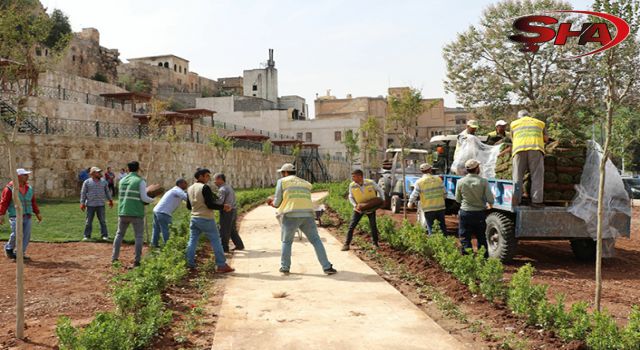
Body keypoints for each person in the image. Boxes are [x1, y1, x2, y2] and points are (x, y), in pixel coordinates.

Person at [267, 163, 336, 275]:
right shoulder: (306, 183)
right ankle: (327, 267)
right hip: (307, 214)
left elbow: (277, 203)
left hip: (290, 215)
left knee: (287, 242)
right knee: (316, 240)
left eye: (282, 173)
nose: (281, 175)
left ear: (285, 173)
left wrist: (270, 202)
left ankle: (285, 267)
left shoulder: (282, 182)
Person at [185, 168, 234, 272]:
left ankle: (190, 263)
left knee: (192, 240)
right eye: (207, 176)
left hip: (194, 218)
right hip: (206, 218)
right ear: (200, 176)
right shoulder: (205, 187)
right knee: (216, 240)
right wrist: (223, 207)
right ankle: (221, 265)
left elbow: (189, 206)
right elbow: (210, 204)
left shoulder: (190, 188)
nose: (208, 178)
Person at [111, 161, 155, 267]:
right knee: (139, 236)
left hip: (122, 211)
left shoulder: (122, 180)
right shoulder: (140, 181)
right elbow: (144, 198)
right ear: (138, 168)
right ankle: (137, 260)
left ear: (128, 169)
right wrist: (152, 199)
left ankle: (114, 258)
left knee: (119, 234)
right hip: (136, 212)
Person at [455, 159, 494, 257]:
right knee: (481, 237)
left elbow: (458, 199)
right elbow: (490, 199)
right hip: (479, 213)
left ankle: (468, 259)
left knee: (465, 237)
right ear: (477, 169)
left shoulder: (460, 182)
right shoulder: (483, 182)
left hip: (465, 213)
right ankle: (483, 260)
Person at [1, 168, 42, 260]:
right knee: (16, 233)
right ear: (18, 177)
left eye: (27, 174)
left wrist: (37, 213)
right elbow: (4, 202)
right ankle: (9, 248)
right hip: (15, 215)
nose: (27, 176)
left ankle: (20, 253)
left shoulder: (29, 188)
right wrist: (1, 215)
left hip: (27, 215)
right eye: (25, 175)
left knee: (26, 235)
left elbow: (33, 202)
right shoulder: (9, 188)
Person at [510, 110, 549, 207]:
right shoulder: (540, 123)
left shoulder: (514, 124)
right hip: (535, 149)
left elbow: (512, 139)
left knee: (517, 176)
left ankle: (516, 200)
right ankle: (536, 201)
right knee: (537, 176)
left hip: (518, 150)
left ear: (519, 117)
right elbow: (546, 139)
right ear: (529, 116)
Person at [342, 169, 385, 251]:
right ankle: (346, 244)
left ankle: (375, 244)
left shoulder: (370, 182)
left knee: (373, 225)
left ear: (360, 176)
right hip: (360, 207)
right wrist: (355, 206)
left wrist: (383, 199)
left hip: (370, 207)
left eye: (354, 176)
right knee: (352, 225)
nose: (353, 178)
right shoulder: (352, 185)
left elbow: (379, 190)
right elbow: (350, 196)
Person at [408, 163, 448, 236]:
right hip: (440, 207)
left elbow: (414, 194)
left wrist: (410, 203)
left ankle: (433, 244)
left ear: (421, 171)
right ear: (430, 170)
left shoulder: (419, 182)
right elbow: (445, 193)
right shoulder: (438, 179)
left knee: (431, 228)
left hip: (428, 209)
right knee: (442, 227)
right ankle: (445, 243)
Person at [151, 178, 188, 248]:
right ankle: (169, 247)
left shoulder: (174, 190)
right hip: (163, 212)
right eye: (185, 183)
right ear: (180, 184)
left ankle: (153, 245)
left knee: (156, 229)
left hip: (158, 210)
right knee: (167, 230)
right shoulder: (177, 190)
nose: (186, 185)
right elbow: (185, 197)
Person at [214, 173, 244, 253]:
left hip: (226, 211)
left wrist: (211, 202)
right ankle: (239, 245)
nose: (214, 182)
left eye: (215, 180)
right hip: (233, 210)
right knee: (231, 229)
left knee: (224, 230)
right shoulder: (228, 187)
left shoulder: (222, 189)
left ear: (220, 179)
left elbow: (220, 202)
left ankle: (224, 248)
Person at [80, 167, 113, 241]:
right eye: (98, 172)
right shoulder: (87, 182)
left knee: (102, 221)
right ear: (93, 173)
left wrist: (110, 200)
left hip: (101, 204)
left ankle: (104, 235)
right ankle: (87, 235)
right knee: (88, 221)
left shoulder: (104, 182)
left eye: (100, 172)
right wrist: (82, 203)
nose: (100, 173)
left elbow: (107, 192)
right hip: (90, 205)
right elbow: (83, 193)